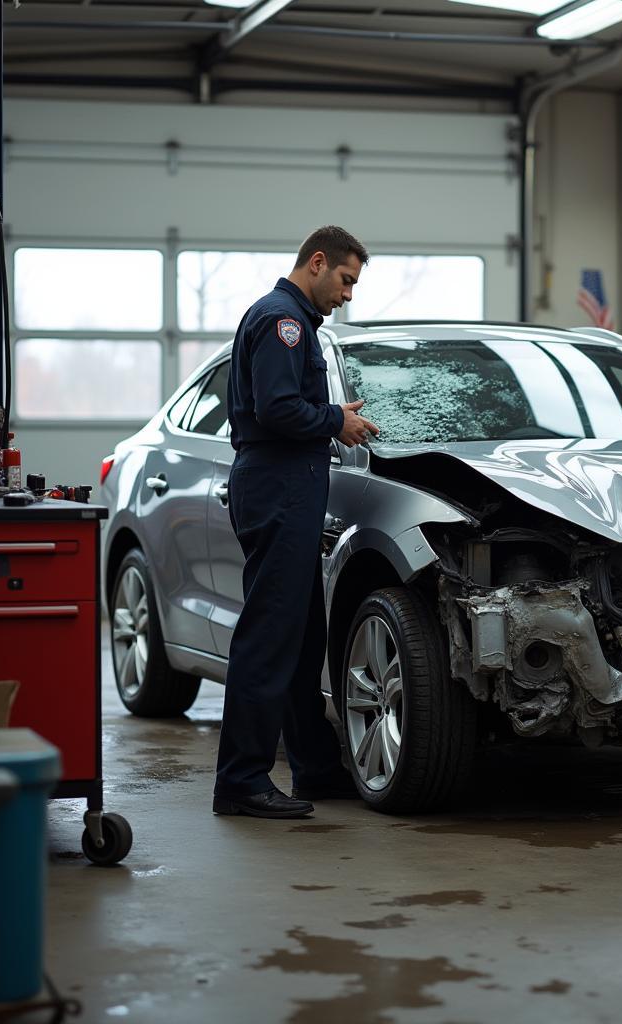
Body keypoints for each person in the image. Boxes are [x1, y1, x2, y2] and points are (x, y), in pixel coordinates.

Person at [213, 226, 379, 819]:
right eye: (346, 280)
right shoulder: (283, 321)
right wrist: (335, 420)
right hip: (278, 485)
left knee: (304, 636)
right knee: (270, 638)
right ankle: (240, 781)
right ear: (317, 263)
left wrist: (333, 415)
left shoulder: (296, 323)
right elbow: (276, 408)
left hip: (291, 486)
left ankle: (315, 766)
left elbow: (289, 405)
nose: (349, 294)